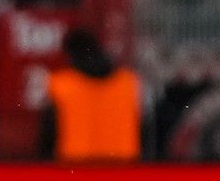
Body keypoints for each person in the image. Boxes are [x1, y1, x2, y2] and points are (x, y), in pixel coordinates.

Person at [40, 29, 143, 161]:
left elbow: (48, 135)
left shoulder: (61, 85)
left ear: (70, 55)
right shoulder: (129, 83)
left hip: (75, 170)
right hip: (123, 170)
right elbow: (144, 130)